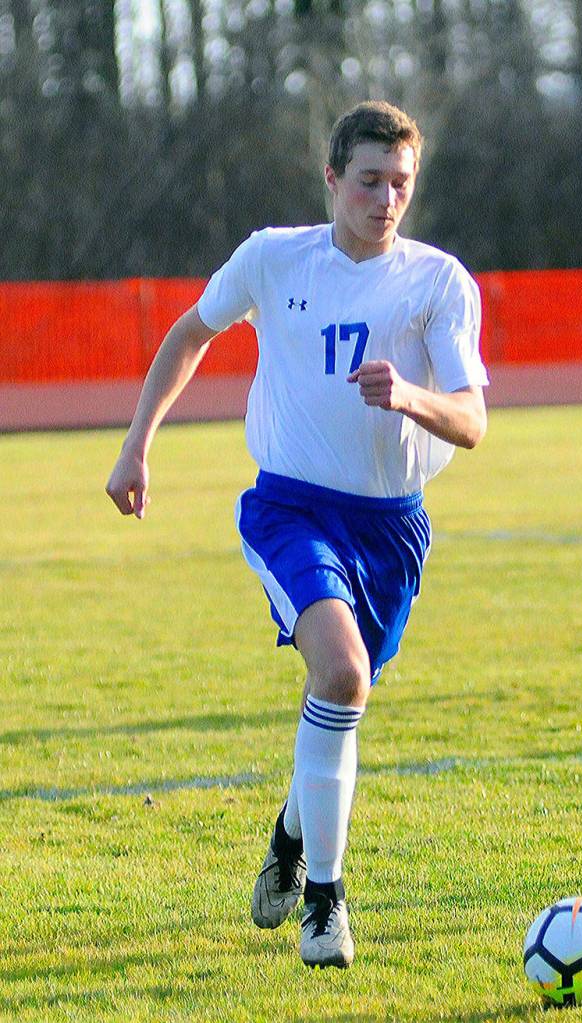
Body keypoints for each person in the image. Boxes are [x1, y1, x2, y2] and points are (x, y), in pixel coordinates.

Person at [106, 101, 489, 965]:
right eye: (368, 182)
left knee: (340, 700)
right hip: (289, 509)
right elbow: (188, 333)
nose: (385, 199)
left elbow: (470, 421)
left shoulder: (437, 282)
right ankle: (326, 900)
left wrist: (410, 396)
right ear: (330, 178)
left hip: (391, 528)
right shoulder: (272, 258)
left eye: (400, 183)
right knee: (343, 672)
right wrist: (136, 448)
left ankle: (288, 833)